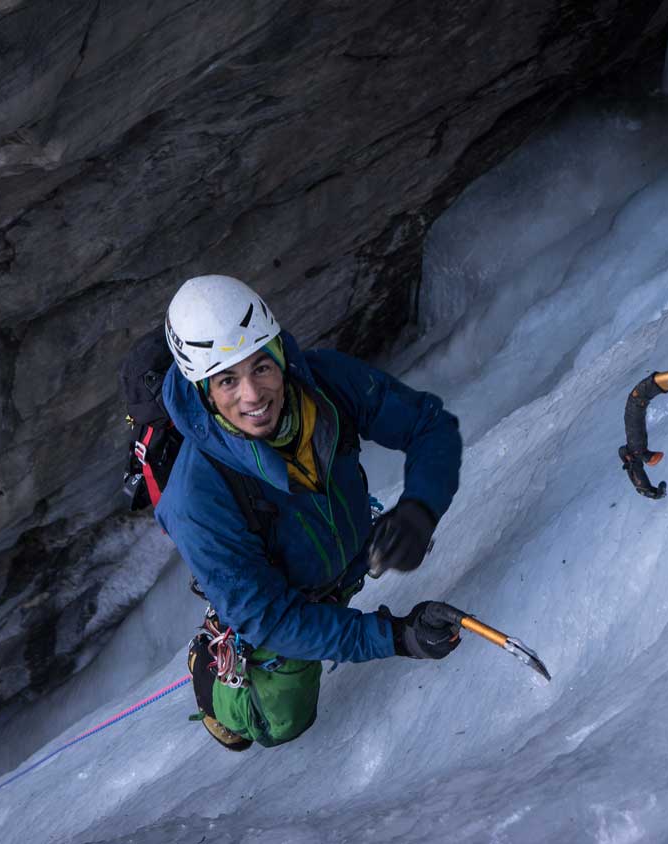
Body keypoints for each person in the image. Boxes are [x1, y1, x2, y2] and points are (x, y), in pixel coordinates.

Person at [156, 274, 466, 751]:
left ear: (280, 354)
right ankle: (212, 681)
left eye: (261, 367)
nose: (252, 395)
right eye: (227, 380)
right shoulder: (197, 498)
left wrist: (420, 507)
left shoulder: (325, 384)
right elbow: (274, 619)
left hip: (345, 552)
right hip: (277, 604)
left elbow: (429, 426)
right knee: (280, 723)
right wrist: (396, 637)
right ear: (203, 392)